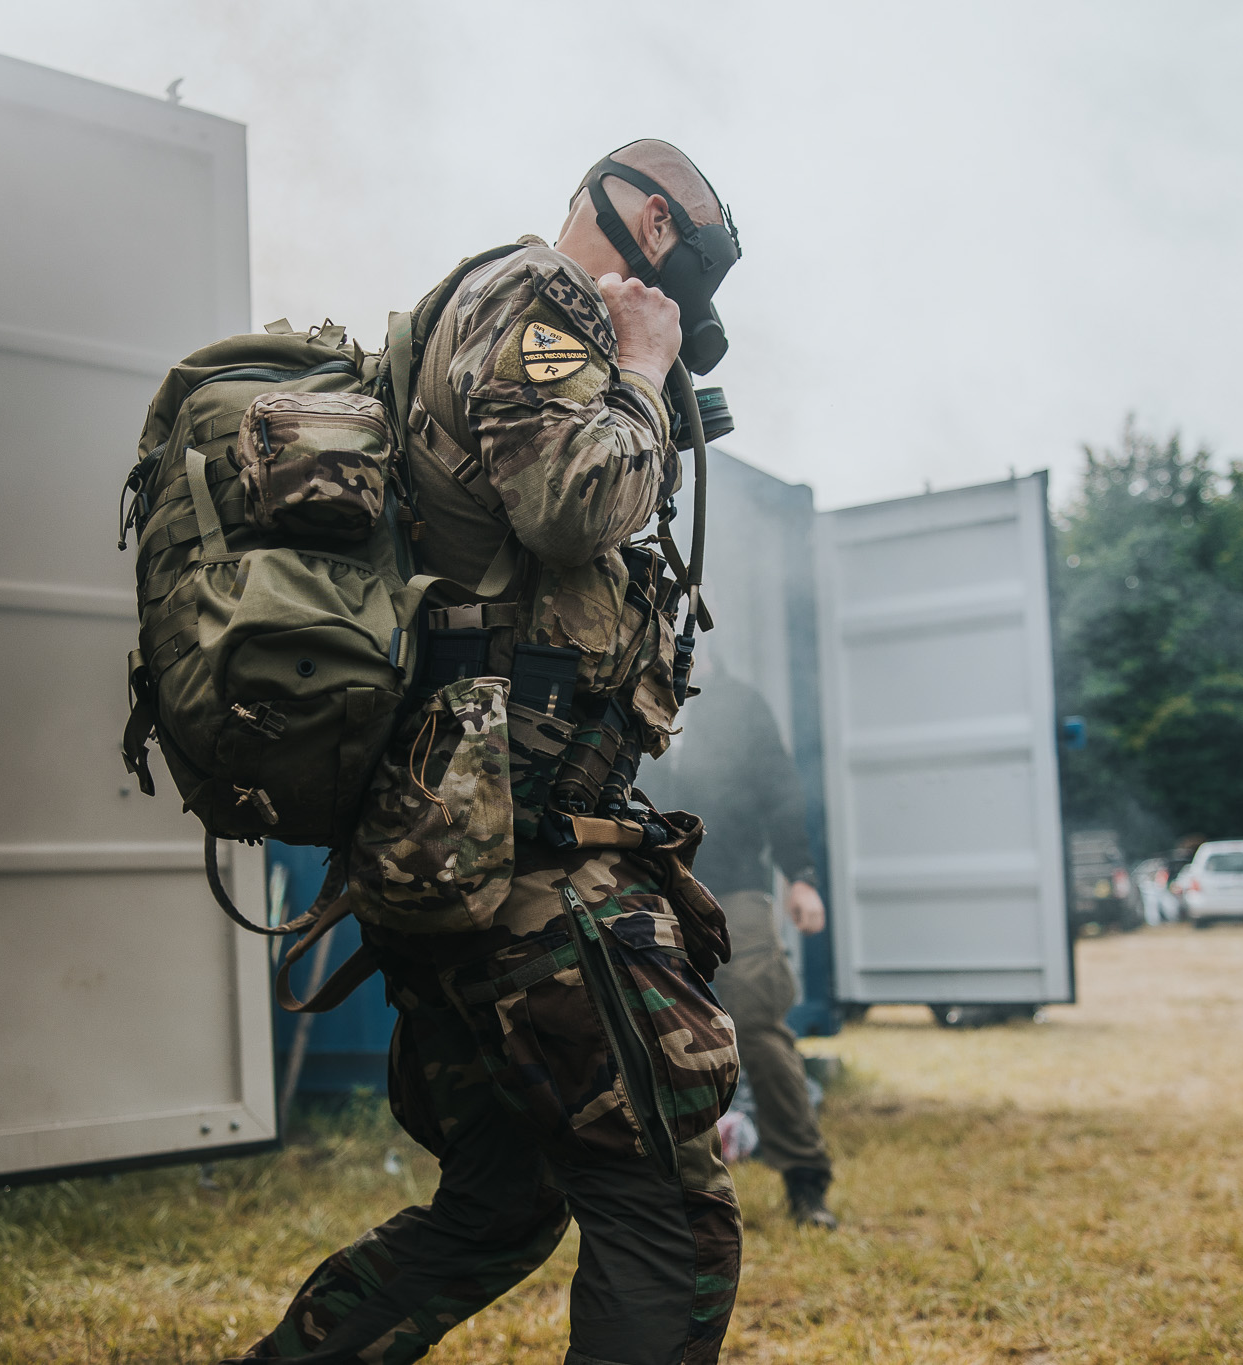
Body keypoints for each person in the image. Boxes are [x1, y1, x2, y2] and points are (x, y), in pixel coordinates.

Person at [235, 140, 746, 1365]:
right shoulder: (539, 301)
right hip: (520, 867)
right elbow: (568, 504)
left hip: (465, 856)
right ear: (659, 231)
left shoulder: (483, 326)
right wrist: (638, 366)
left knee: (502, 1207)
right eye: (682, 295)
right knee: (672, 1222)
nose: (676, 328)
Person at [651, 656, 839, 1229]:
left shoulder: (738, 702)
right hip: (642, 893)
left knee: (757, 1026)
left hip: (733, 888)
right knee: (651, 1038)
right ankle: (667, 1195)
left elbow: (781, 788)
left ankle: (806, 1181)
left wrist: (800, 876)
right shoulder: (623, 695)